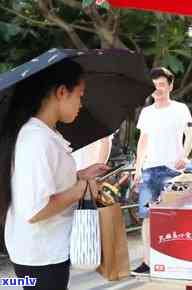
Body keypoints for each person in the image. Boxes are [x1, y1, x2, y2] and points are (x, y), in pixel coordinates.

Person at [0, 59, 109, 290]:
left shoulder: (43, 134)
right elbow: (36, 209)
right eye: (79, 95)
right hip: (42, 255)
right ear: (61, 92)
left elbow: (46, 181)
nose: (81, 103)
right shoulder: (36, 139)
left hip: (44, 249)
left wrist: (80, 175)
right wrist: (80, 190)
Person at [131, 67, 192, 275]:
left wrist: (184, 156)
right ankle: (147, 262)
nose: (158, 89)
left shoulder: (180, 108)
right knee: (148, 216)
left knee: (175, 216)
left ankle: (177, 258)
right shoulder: (146, 112)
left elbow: (190, 135)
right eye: (154, 86)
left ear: (170, 86)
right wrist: (138, 167)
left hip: (173, 170)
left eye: (161, 85)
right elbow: (143, 141)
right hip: (149, 170)